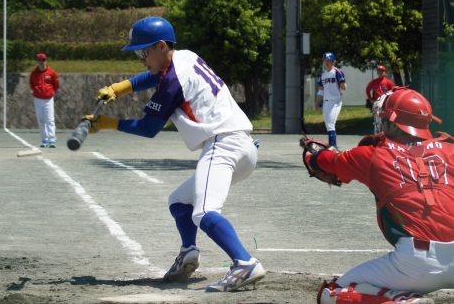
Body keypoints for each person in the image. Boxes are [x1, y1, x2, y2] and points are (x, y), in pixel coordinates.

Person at [83, 16, 265, 292]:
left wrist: (109, 124)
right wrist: (121, 87)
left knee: (203, 212)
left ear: (160, 46)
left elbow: (148, 128)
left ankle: (245, 263)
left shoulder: (172, 82)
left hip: (223, 145)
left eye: (144, 52)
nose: (142, 59)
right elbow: (155, 74)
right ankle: (189, 251)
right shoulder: (186, 56)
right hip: (243, 148)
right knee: (180, 201)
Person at [305, 87, 453, 304]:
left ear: (394, 124)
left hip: (416, 262)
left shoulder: (373, 154)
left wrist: (312, 154)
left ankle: (401, 300)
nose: (381, 123)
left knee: (333, 293)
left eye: (384, 119)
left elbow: (323, 162)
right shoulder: (450, 149)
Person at [316, 52, 347, 148]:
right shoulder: (323, 74)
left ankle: (333, 146)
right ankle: (331, 146)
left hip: (335, 102)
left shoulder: (337, 72)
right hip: (326, 102)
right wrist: (317, 102)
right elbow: (321, 90)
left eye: (329, 61)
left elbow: (343, 87)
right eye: (325, 61)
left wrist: (340, 93)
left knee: (331, 124)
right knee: (328, 125)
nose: (327, 63)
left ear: (333, 62)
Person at [30, 53, 59, 148]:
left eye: (43, 60)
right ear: (37, 62)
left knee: (50, 119)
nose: (42, 62)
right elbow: (31, 84)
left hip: (48, 99)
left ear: (46, 60)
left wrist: (52, 92)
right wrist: (35, 91)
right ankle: (44, 139)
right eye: (40, 60)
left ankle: (52, 139)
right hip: (38, 99)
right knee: (41, 120)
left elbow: (56, 84)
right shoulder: (34, 73)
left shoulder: (51, 72)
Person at [366, 65, 396, 134]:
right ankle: (377, 134)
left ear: (384, 72)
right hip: (377, 103)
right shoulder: (374, 82)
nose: (380, 72)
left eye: (381, 71)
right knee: (377, 119)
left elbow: (394, 92)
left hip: (385, 104)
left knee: (385, 119)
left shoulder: (388, 82)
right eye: (378, 71)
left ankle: (385, 133)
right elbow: (368, 89)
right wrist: (370, 98)